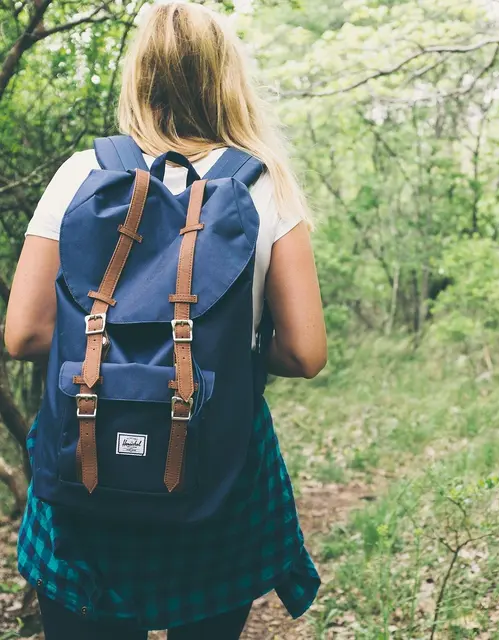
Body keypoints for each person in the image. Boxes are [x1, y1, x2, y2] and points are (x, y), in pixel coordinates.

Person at [4, 3, 327, 639]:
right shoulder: (266, 186)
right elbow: (306, 354)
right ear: (226, 77)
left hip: (86, 462)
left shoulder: (82, 174)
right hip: (216, 467)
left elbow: (24, 334)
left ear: (139, 78)